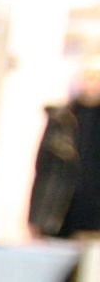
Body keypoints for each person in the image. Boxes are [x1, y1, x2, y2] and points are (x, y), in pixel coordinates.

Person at [29, 61, 100, 240]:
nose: (91, 83)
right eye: (87, 77)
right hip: (60, 211)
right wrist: (36, 217)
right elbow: (43, 168)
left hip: (93, 212)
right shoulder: (62, 118)